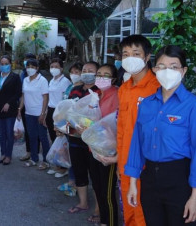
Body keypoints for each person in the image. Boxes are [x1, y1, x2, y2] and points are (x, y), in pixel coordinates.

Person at [125, 45, 196, 226]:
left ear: (183, 71)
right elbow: (137, 145)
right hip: (149, 180)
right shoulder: (147, 104)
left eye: (174, 67)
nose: (168, 71)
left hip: (180, 180)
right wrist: (133, 182)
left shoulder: (195, 107)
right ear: (155, 69)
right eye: (162, 66)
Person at [104, 34, 160, 226]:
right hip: (126, 163)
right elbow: (122, 129)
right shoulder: (124, 88)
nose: (130, 58)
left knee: (144, 213)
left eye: (136, 53)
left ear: (146, 57)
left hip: (147, 165)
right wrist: (120, 158)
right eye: (126, 54)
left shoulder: (157, 88)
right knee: (128, 210)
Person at [64, 61, 101, 215]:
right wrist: (64, 126)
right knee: (79, 171)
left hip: (94, 141)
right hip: (74, 137)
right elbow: (68, 110)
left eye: (90, 70)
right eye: (84, 70)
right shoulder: (75, 89)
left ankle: (99, 209)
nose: (86, 72)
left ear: (97, 73)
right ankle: (83, 203)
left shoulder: (100, 91)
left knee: (96, 175)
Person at [88, 64, 120, 226]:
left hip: (108, 150)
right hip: (93, 148)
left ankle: (110, 222)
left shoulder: (116, 95)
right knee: (98, 187)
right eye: (99, 74)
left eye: (106, 75)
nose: (101, 77)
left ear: (113, 79)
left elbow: (116, 124)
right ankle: (103, 220)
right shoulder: (96, 94)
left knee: (108, 193)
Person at [57, 62, 84, 197]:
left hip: (77, 128)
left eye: (77, 72)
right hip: (67, 125)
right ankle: (72, 182)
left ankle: (76, 184)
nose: (74, 75)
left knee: (76, 157)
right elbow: (63, 106)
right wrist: (61, 126)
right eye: (72, 72)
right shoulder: (70, 87)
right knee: (70, 154)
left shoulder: (83, 89)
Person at [17, 58, 50, 170]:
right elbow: (23, 96)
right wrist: (19, 109)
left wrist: (43, 113)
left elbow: (45, 97)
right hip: (28, 113)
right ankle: (34, 159)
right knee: (32, 137)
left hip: (39, 113)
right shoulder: (25, 80)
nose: (30, 69)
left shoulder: (42, 80)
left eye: (33, 67)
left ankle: (46, 161)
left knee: (43, 137)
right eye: (28, 67)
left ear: (37, 68)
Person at [0, 55, 22, 165]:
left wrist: (9, 103)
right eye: (2, 64)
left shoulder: (15, 77)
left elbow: (18, 92)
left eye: (6, 63)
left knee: (9, 133)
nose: (4, 66)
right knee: (1, 134)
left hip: (10, 109)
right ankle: (2, 154)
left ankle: (8, 155)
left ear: (10, 64)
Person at [46, 58, 72, 177]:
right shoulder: (52, 80)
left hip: (60, 112)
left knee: (62, 139)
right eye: (52, 66)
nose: (54, 69)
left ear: (61, 68)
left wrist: (62, 116)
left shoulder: (65, 81)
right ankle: (57, 164)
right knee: (54, 138)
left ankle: (64, 167)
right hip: (51, 110)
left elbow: (66, 100)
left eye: (56, 67)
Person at [19, 52, 38, 161]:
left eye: (31, 60)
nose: (29, 66)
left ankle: (35, 154)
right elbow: (22, 91)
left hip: (36, 107)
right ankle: (28, 152)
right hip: (25, 106)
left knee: (37, 132)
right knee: (27, 130)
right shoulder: (23, 74)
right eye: (26, 60)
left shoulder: (40, 78)